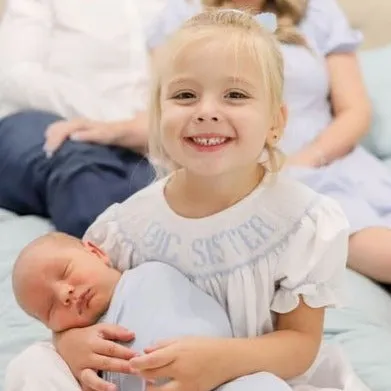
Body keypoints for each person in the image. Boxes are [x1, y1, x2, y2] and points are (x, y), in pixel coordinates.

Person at [15, 9, 372, 391]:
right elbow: (94, 309)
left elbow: (301, 344)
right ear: (158, 115)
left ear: (276, 121)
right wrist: (69, 344)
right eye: (185, 95)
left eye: (235, 95)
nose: (206, 112)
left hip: (248, 374)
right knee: (30, 365)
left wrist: (219, 362)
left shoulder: (302, 222)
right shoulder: (125, 228)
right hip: (143, 379)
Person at [147, 0, 391, 284]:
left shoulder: (319, 12)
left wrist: (308, 160)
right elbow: (170, 106)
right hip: (256, 173)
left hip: (337, 159)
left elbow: (355, 111)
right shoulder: (181, 14)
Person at [11, 233, 288, 391]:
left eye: (66, 272)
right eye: (50, 308)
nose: (65, 294)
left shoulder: (146, 265)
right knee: (27, 365)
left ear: (96, 253)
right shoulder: (84, 348)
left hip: (222, 380)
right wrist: (65, 346)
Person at [0, 0, 165, 238]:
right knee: (83, 170)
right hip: (42, 121)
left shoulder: (172, 8)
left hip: (139, 143)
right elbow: (15, 76)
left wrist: (139, 131)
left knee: (163, 187)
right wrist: (118, 122)